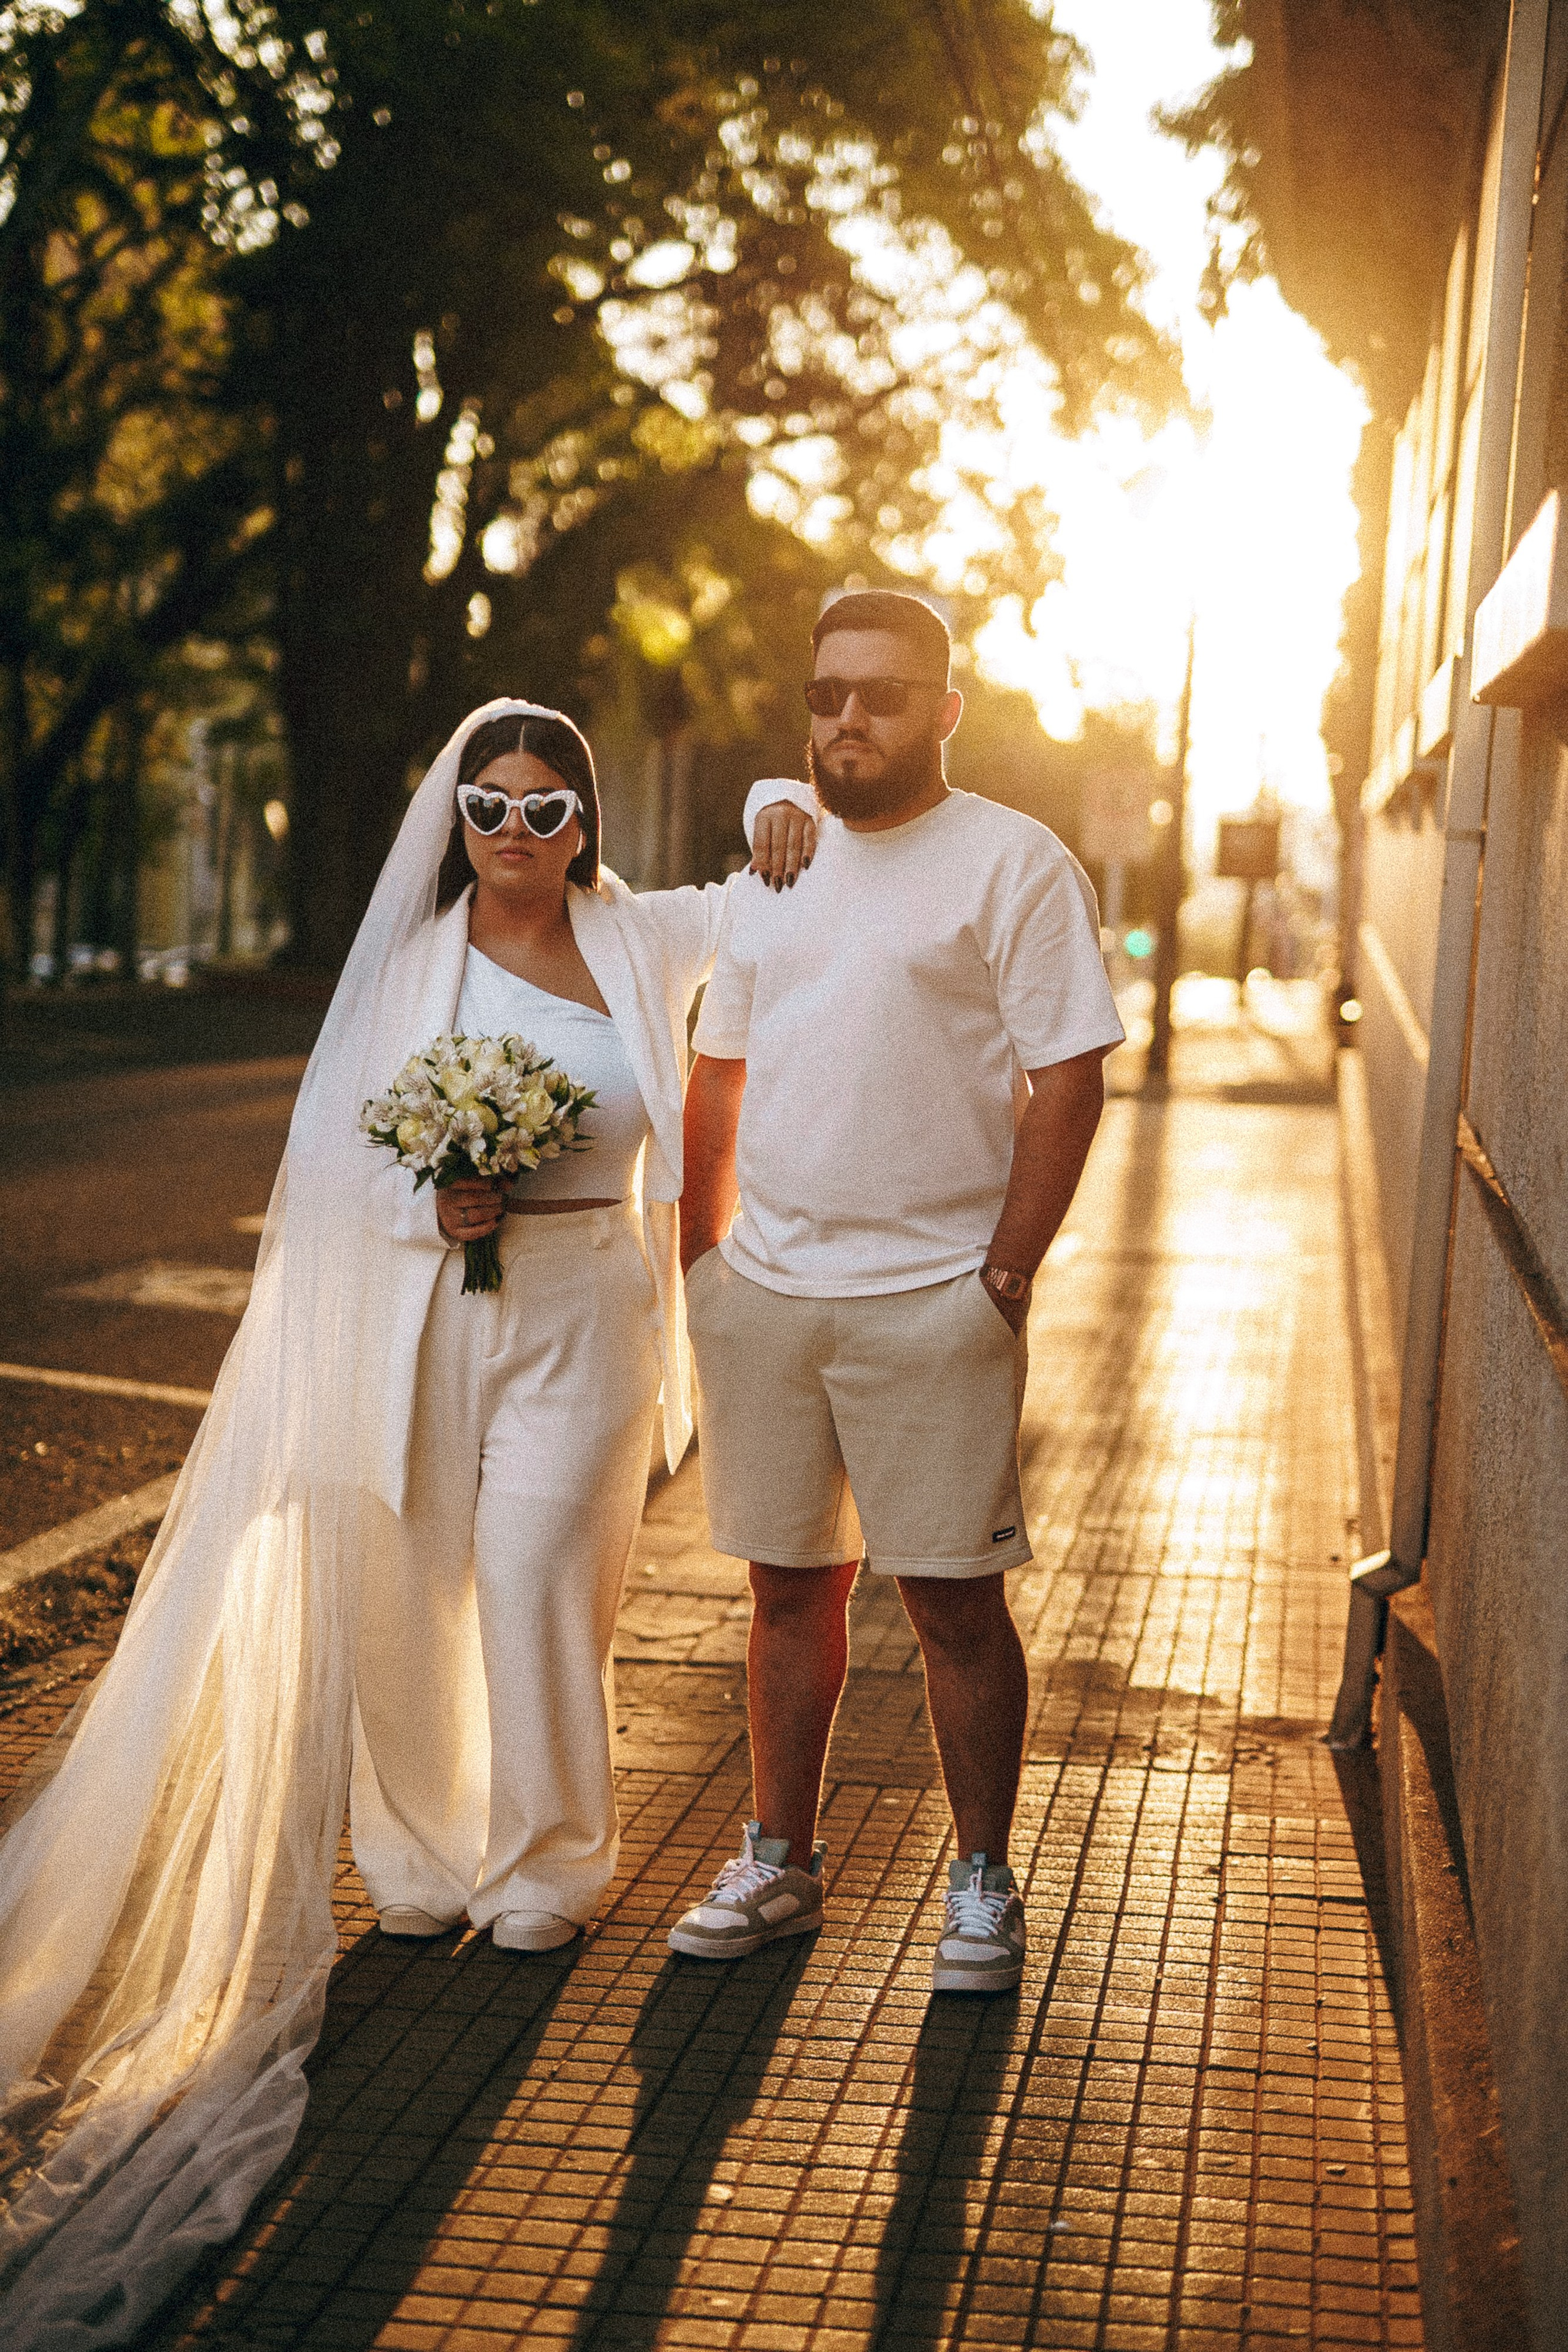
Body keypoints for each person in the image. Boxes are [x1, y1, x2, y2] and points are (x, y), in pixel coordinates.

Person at [0, 699, 814, 2346]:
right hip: (425, 1308)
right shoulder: (410, 967)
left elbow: (777, 890)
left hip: (591, 1304)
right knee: (411, 1573)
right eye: (492, 811)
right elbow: (326, 1165)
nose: (521, 836)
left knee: (539, 1576)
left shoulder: (647, 938)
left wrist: (788, 790)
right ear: (457, 824)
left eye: (549, 809)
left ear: (585, 820)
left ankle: (550, 1863)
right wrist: (430, 1194)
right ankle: (424, 1851)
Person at [669, 591, 1125, 1994]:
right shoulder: (768, 874)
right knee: (784, 1590)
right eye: (823, 696)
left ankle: (981, 1882)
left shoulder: (1014, 864)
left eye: (878, 693)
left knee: (952, 1604)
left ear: (944, 706)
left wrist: (1001, 1275)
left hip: (934, 1295)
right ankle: (779, 1861)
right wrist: (703, 1258)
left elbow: (1069, 1075)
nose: (846, 718)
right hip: (769, 1292)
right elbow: (718, 1077)